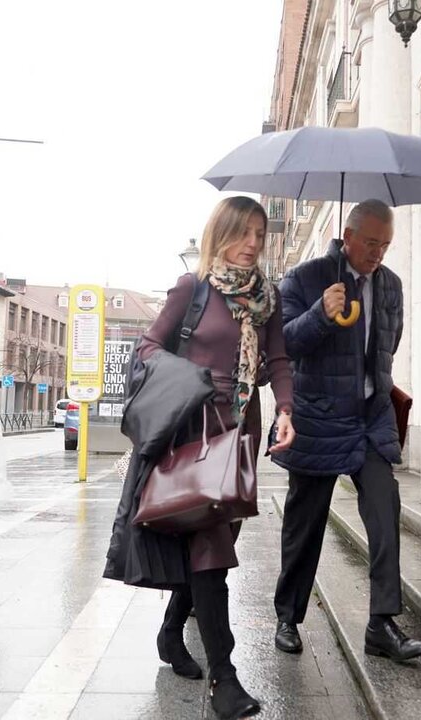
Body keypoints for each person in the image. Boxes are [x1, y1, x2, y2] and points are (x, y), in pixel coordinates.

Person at [112, 197, 295, 720]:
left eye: (261, 235)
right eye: (245, 233)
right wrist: (200, 380)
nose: (254, 244)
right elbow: (147, 348)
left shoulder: (268, 299)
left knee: (218, 540)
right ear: (221, 233)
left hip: (240, 431)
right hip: (194, 429)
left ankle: (172, 633)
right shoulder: (193, 289)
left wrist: (285, 408)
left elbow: (279, 360)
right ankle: (225, 677)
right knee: (211, 546)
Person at [271, 200, 421, 662]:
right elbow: (284, 344)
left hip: (369, 416)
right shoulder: (305, 278)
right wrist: (322, 311)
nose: (378, 253)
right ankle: (288, 616)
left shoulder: (391, 285)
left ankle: (381, 623)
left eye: (386, 244)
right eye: (372, 243)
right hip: (318, 417)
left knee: (385, 510)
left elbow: (388, 343)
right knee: (306, 521)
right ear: (349, 235)